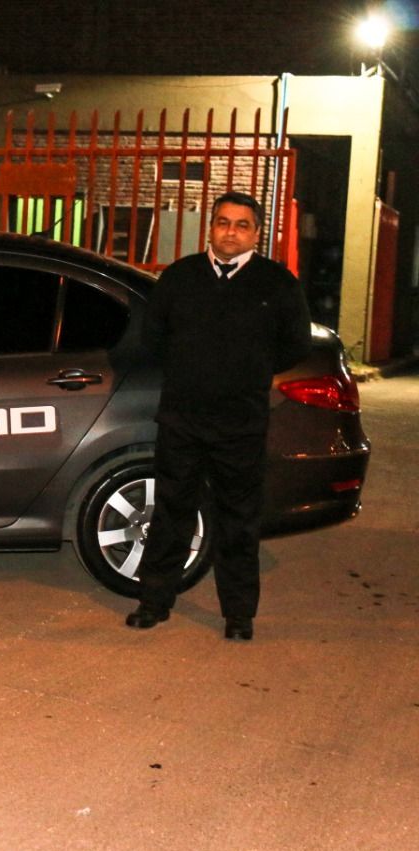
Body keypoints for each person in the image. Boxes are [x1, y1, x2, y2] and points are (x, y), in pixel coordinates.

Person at [128, 191, 311, 641]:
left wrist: (250, 374)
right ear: (210, 227)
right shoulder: (180, 277)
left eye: (242, 224)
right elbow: (152, 338)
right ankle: (154, 602)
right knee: (172, 513)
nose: (231, 232)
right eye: (223, 222)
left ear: (257, 233)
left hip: (241, 423)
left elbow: (296, 346)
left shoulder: (277, 284)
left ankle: (239, 614)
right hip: (182, 419)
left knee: (239, 520)